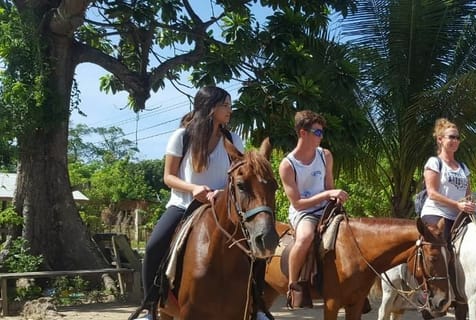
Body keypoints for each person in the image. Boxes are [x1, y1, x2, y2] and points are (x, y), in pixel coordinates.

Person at [132, 86, 255, 320]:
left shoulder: (233, 139)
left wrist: (221, 193)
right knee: (153, 246)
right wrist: (194, 189)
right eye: (225, 105)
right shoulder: (182, 136)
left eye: (230, 105)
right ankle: (150, 308)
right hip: (184, 205)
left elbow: (240, 176)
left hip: (223, 208)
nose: (230, 110)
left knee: (256, 246)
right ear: (210, 107)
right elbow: (169, 177)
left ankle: (256, 306)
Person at [279, 110, 349, 308]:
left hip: (326, 209)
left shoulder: (325, 155)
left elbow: (329, 187)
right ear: (303, 133)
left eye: (322, 132)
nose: (321, 136)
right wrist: (327, 195)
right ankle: (294, 287)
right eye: (317, 132)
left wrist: (335, 197)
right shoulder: (287, 165)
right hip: (304, 212)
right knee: (305, 238)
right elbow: (297, 203)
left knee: (352, 233)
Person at [419, 118, 476, 238]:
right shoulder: (435, 162)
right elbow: (432, 193)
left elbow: (468, 195)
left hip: (459, 218)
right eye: (451, 137)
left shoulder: (463, 167)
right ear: (440, 139)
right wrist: (456, 204)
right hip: (437, 214)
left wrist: (470, 204)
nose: (455, 141)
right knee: (443, 247)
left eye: (458, 138)